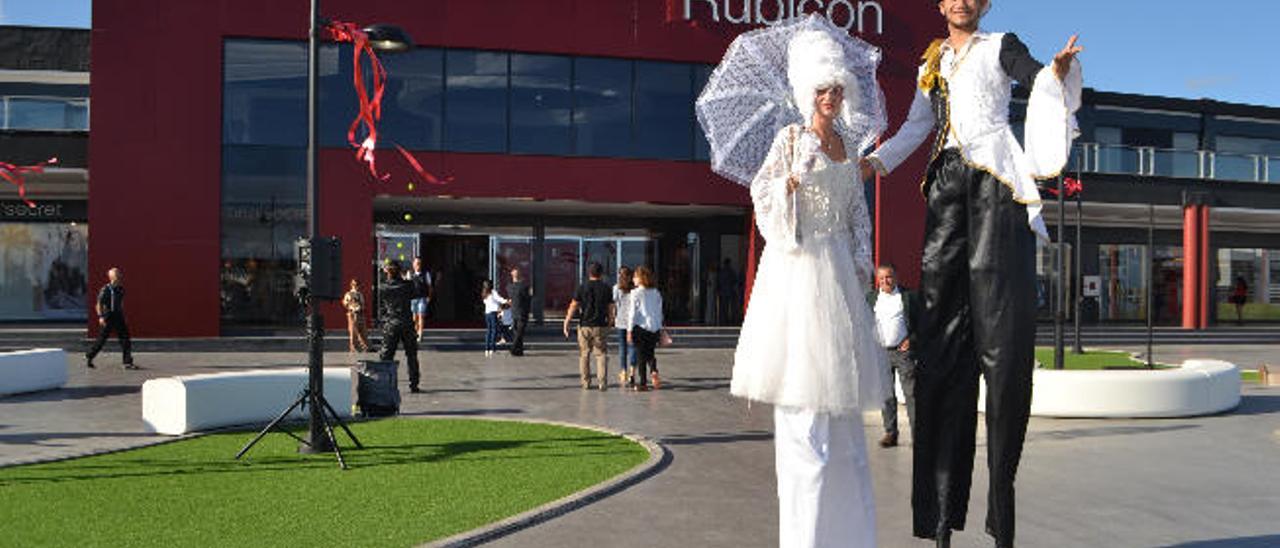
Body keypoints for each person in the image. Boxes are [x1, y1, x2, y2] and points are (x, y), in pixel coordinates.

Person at [861, 1, 1083, 545]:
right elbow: (918, 125)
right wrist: (877, 162)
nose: (960, 2)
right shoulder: (930, 60)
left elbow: (1034, 76)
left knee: (1001, 344)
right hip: (946, 186)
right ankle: (939, 519)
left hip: (994, 184)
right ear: (941, 4)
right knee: (939, 348)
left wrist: (1056, 72)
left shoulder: (999, 44)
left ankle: (1001, 517)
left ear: (982, 5)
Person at [729, 28, 887, 548]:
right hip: (799, 275)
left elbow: (857, 216)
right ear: (806, 91)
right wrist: (788, 185)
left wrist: (863, 267)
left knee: (843, 419)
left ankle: (849, 536)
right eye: (822, 89)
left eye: (836, 88)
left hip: (838, 275)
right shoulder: (791, 139)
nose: (830, 97)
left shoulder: (851, 145)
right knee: (804, 416)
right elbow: (765, 200)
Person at [868, 264, 920, 448]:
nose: (885, 281)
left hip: (903, 353)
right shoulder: (871, 298)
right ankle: (891, 433)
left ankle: (918, 436)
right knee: (886, 395)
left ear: (895, 277)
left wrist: (912, 340)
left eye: (888, 277)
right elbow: (863, 321)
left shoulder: (908, 297)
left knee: (911, 394)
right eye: (881, 279)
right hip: (881, 353)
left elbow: (924, 322)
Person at [379, 260, 429, 393]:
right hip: (406, 322)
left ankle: (385, 383)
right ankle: (414, 384)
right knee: (411, 355)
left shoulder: (383, 287)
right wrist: (410, 277)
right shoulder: (408, 285)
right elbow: (420, 291)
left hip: (391, 323)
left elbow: (382, 305)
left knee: (386, 355)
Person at [563, 262, 613, 390]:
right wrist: (611, 321)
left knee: (584, 354)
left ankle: (586, 382)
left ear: (589, 273)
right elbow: (611, 307)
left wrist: (567, 321)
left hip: (584, 325)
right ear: (601, 273)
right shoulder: (606, 288)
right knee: (601, 354)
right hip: (600, 325)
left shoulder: (582, 287)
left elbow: (573, 305)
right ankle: (602, 382)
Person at [86, 267, 136, 370]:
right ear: (111, 277)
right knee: (102, 339)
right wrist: (101, 317)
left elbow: (120, 303)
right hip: (108, 316)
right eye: (117, 274)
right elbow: (98, 304)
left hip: (119, 316)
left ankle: (127, 362)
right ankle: (90, 356)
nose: (119, 276)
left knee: (125, 338)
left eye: (119, 274)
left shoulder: (121, 289)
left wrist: (122, 315)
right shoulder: (106, 289)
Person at [626, 266, 664, 391]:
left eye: (635, 277)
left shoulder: (635, 293)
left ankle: (643, 383)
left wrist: (629, 330)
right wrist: (660, 327)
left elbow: (632, 313)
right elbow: (659, 312)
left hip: (640, 328)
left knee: (641, 355)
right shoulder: (656, 292)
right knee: (650, 352)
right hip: (654, 328)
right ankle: (653, 370)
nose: (633, 279)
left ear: (640, 278)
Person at [613, 266, 639, 387]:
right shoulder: (635, 288)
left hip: (621, 321)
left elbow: (615, 304)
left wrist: (612, 317)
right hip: (633, 322)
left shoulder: (616, 288)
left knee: (622, 347)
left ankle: (623, 371)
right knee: (633, 346)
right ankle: (632, 371)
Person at [481, 279, 509, 358]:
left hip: (487, 313)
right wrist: (506, 301)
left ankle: (487, 349)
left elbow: (485, 302)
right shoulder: (493, 292)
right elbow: (499, 299)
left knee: (488, 331)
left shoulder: (484, 293)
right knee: (494, 331)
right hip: (493, 313)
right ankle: (492, 348)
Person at [507, 267, 533, 356]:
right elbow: (528, 299)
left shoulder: (509, 287)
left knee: (517, 331)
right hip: (522, 312)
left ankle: (519, 350)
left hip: (514, 312)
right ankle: (514, 348)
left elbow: (511, 298)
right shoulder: (525, 286)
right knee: (519, 332)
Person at [342, 278, 370, 353]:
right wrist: (351, 306)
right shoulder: (348, 294)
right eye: (355, 285)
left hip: (360, 313)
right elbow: (344, 303)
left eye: (357, 285)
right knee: (353, 332)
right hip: (352, 313)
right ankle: (354, 348)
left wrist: (362, 307)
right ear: (352, 285)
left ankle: (365, 347)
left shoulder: (360, 294)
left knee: (363, 331)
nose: (356, 286)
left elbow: (363, 303)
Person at [410, 257, 434, 341]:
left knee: (421, 316)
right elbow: (407, 286)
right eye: (416, 263)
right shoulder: (410, 274)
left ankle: (420, 334)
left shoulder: (425, 274)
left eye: (419, 263)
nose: (418, 265)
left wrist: (429, 297)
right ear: (413, 264)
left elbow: (430, 287)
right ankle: (415, 332)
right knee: (414, 317)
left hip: (422, 298)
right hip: (413, 299)